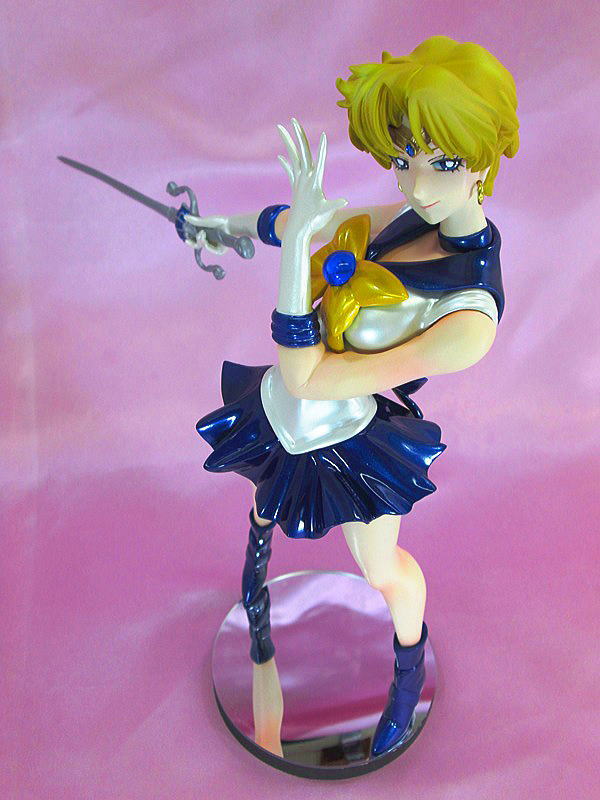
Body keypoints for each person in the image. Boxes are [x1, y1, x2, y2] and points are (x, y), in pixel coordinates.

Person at [186, 35, 519, 757]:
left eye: (444, 163)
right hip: (289, 409)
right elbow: (312, 229)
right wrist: (221, 227)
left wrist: (295, 251)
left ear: (486, 157)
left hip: (347, 433)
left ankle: (407, 667)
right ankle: (256, 589)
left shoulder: (468, 317)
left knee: (380, 569)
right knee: (261, 500)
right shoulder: (414, 218)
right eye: (405, 158)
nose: (417, 184)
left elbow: (308, 374)